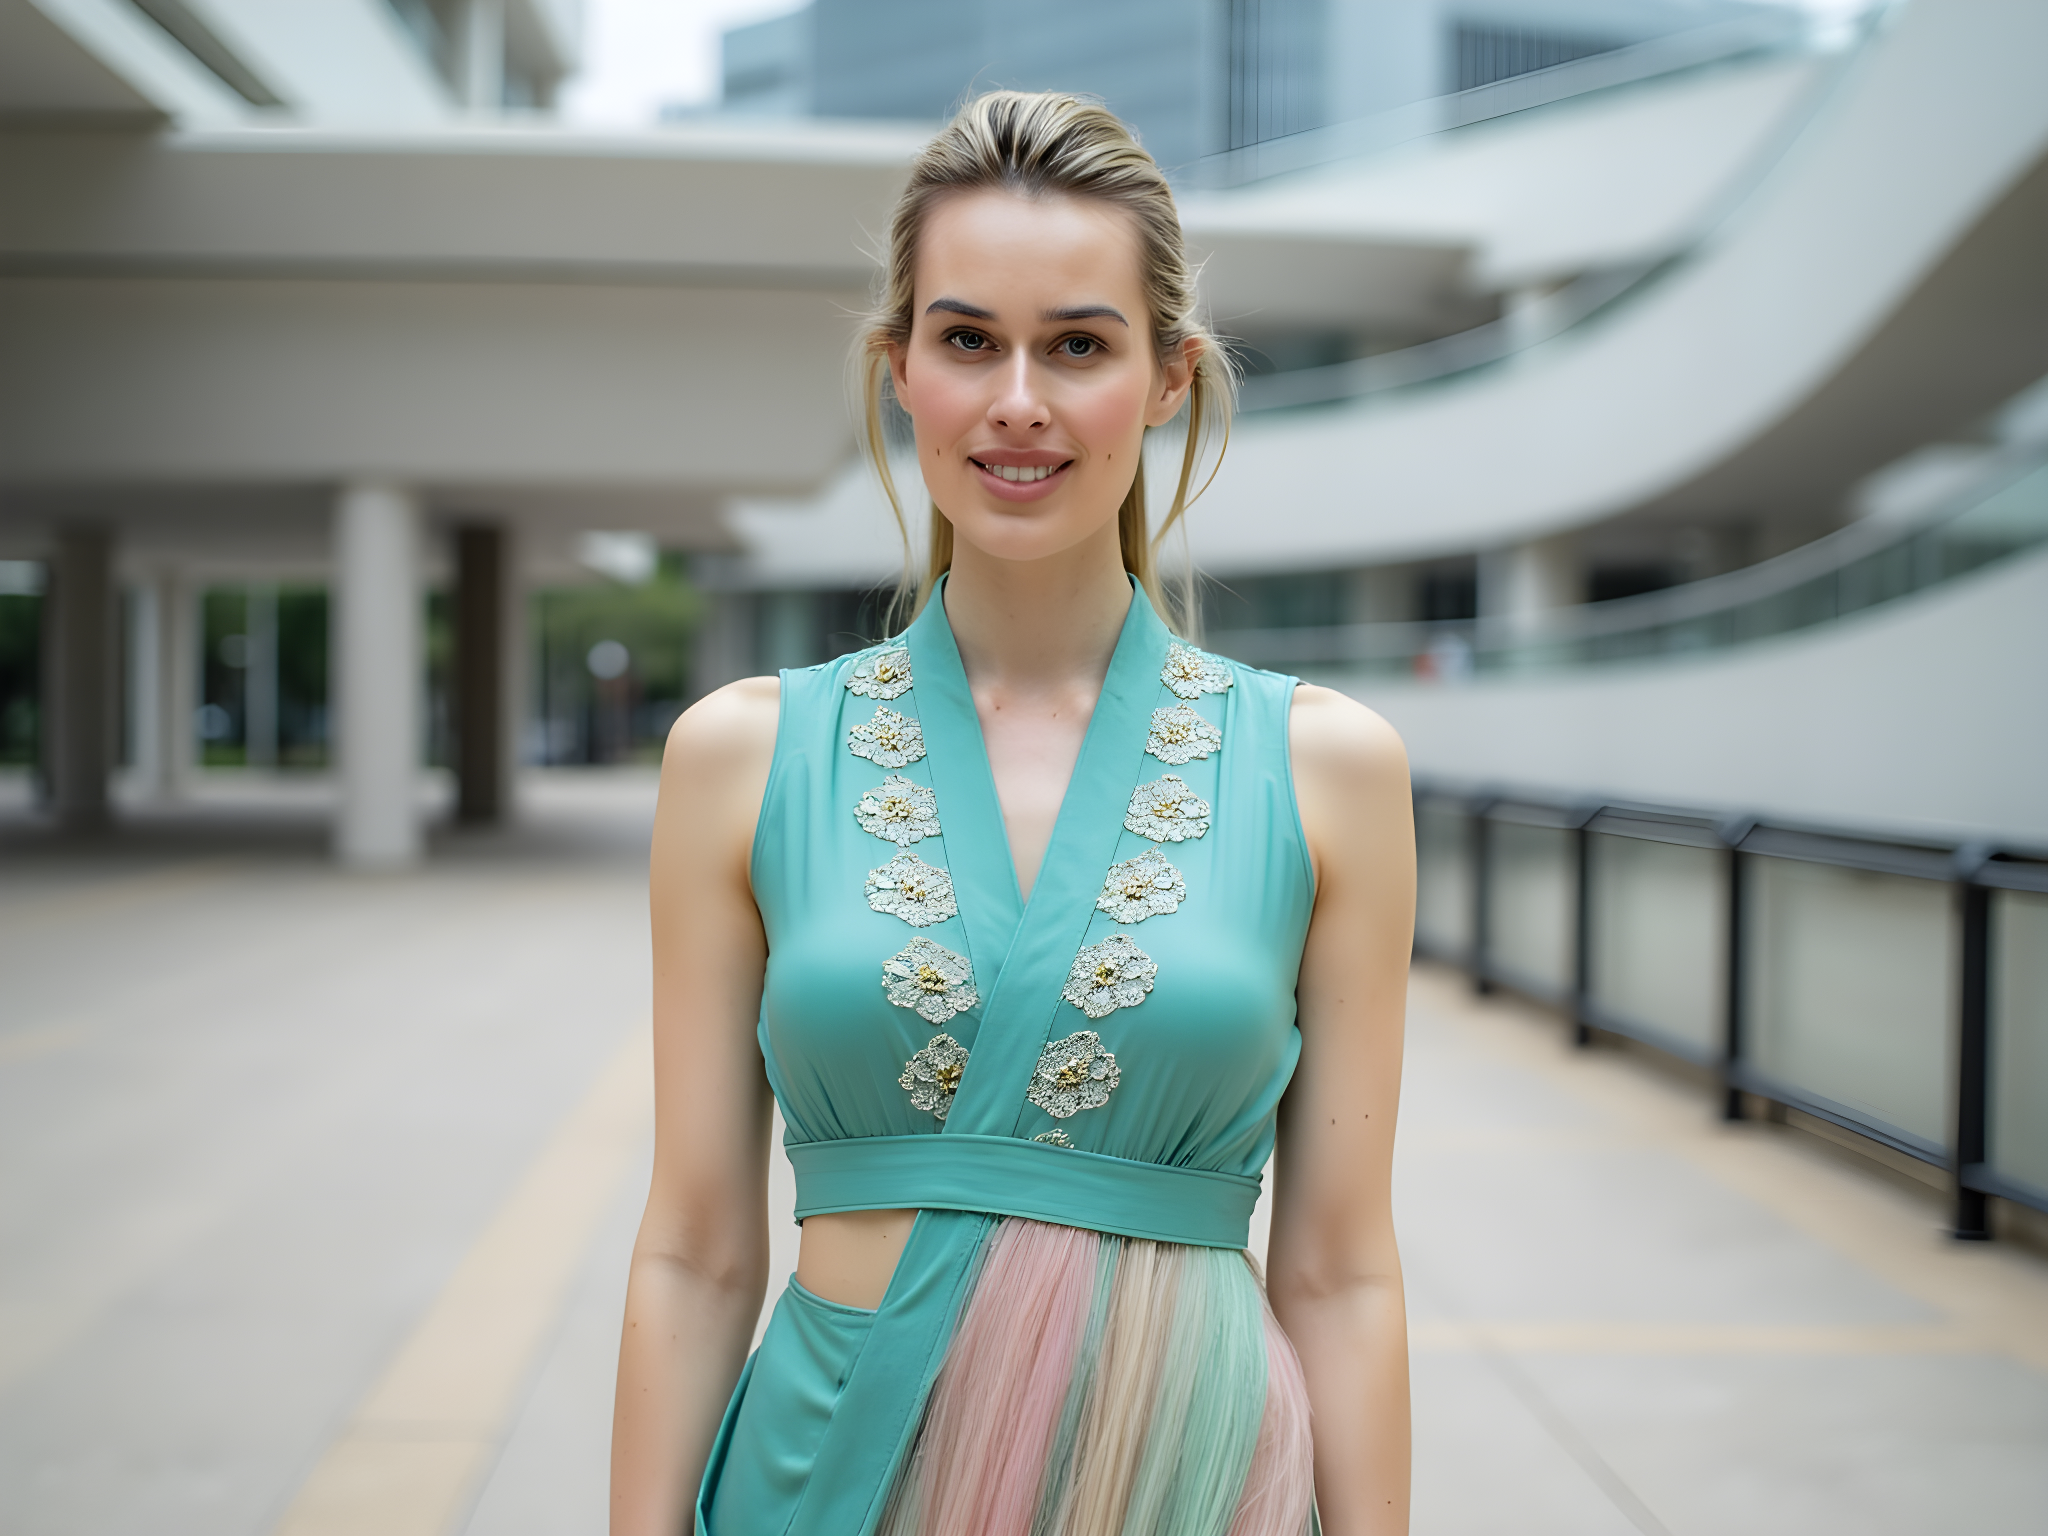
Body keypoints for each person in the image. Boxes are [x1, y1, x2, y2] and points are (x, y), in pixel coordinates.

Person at [611, 91, 1414, 1536]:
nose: (1019, 399)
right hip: (829, 1473)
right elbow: (694, 1248)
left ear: (1168, 378)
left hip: (1184, 1479)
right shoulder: (740, 756)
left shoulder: (1329, 768)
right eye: (968, 338)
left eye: (1080, 346)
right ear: (899, 369)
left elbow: (1342, 1271)